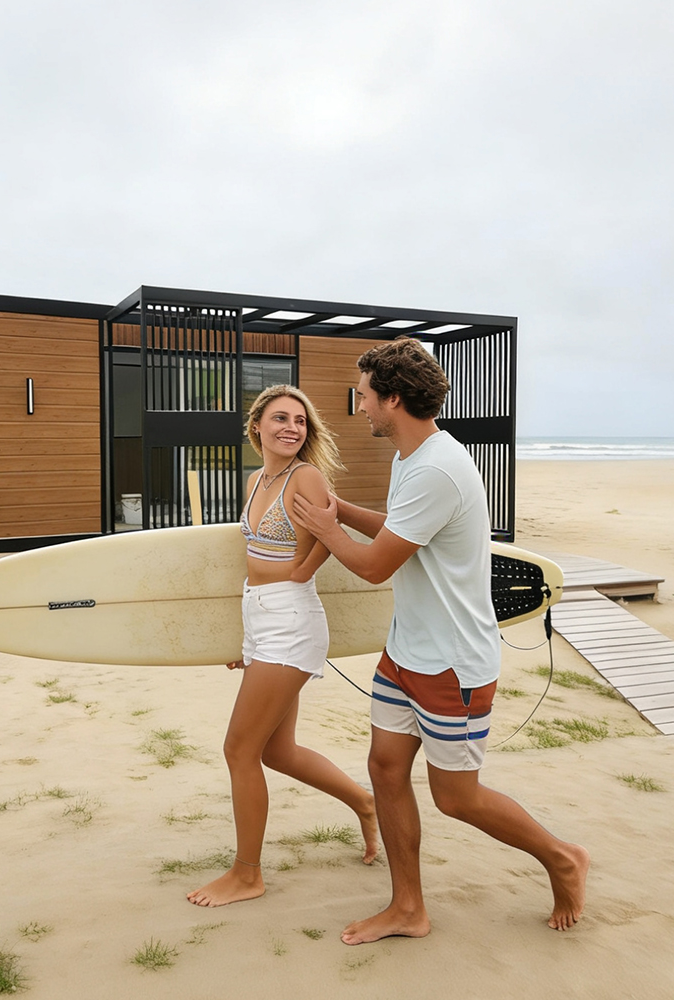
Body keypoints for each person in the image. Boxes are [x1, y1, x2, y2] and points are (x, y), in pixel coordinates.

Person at [292, 338, 589, 943]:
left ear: (392, 399)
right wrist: (342, 511)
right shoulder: (413, 456)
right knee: (385, 768)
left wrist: (325, 527)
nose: (360, 405)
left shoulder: (435, 468)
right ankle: (408, 907)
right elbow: (402, 531)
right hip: (405, 652)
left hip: (452, 665)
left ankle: (563, 857)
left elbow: (375, 565)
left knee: (456, 797)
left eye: (364, 395)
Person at [187, 385, 379, 908]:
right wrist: (246, 636)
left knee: (239, 750)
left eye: (300, 420)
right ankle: (364, 803)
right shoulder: (257, 480)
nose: (292, 428)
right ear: (257, 426)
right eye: (280, 418)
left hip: (291, 621)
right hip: (261, 617)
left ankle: (247, 874)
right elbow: (251, 555)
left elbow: (326, 536)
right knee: (276, 751)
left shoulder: (307, 477)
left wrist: (300, 573)